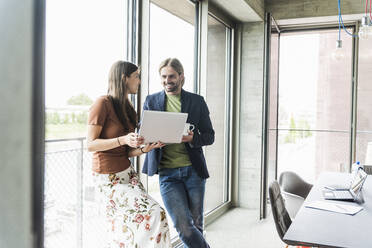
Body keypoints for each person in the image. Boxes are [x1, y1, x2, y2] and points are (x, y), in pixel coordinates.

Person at [87, 61, 171, 248]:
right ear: (124, 78)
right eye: (136, 76)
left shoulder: (129, 109)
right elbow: (91, 145)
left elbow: (127, 151)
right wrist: (123, 139)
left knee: (132, 227)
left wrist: (145, 149)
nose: (139, 81)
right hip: (108, 178)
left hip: (128, 174)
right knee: (155, 213)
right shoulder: (102, 104)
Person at [142, 58, 215, 248]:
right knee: (183, 226)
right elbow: (144, 131)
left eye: (172, 76)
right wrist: (149, 139)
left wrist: (192, 139)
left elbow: (209, 136)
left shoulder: (197, 101)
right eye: (164, 76)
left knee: (196, 225)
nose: (167, 80)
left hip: (194, 172)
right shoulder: (151, 101)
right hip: (168, 174)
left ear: (181, 76)